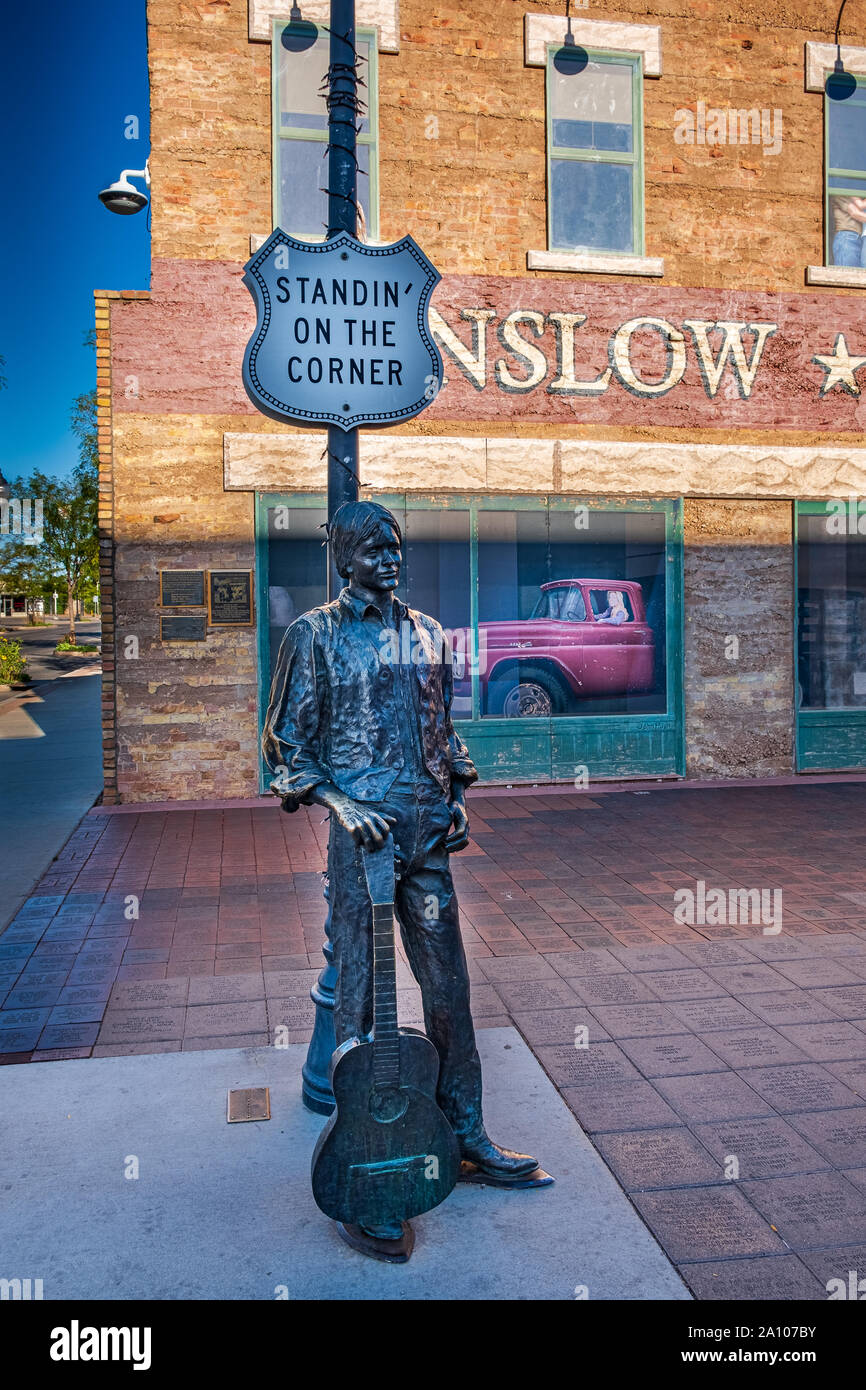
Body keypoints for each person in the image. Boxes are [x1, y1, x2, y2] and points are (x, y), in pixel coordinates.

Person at [262, 500, 540, 1244]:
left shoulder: (427, 634)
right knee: (356, 997)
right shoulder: (312, 636)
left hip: (425, 842)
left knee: (449, 991)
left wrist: (454, 796)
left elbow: (440, 729)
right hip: (364, 845)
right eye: (375, 548)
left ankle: (468, 1133)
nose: (390, 558)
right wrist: (338, 803)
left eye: (396, 546)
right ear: (344, 558)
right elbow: (286, 748)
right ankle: (363, 1167)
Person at [831, 195, 866, 268]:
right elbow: (855, 212)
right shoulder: (841, 193)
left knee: (855, 275)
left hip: (856, 237)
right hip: (846, 236)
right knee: (847, 274)